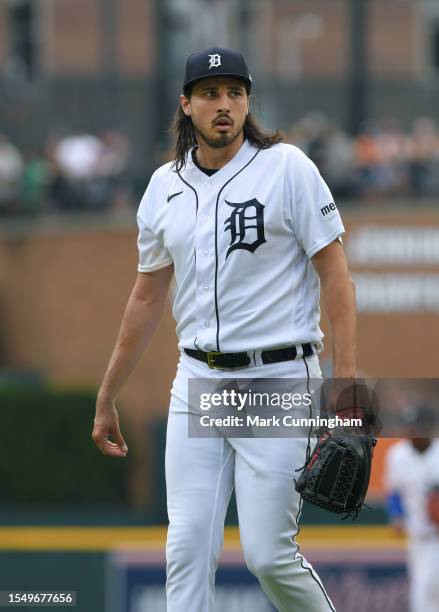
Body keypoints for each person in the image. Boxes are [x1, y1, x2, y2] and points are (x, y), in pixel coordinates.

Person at [92, 46, 356, 611]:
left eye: (235, 93)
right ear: (186, 104)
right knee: (184, 551)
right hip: (199, 384)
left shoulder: (288, 168)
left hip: (279, 380)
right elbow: (145, 295)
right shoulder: (163, 187)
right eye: (210, 93)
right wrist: (109, 390)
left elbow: (337, 279)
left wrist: (347, 388)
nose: (224, 104)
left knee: (269, 557)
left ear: (247, 103)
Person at [384, 405, 439, 612]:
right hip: (417, 535)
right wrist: (396, 516)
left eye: (418, 427)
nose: (413, 432)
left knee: (427, 588)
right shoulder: (397, 454)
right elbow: (394, 491)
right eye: (411, 427)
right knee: (423, 588)